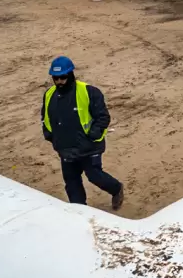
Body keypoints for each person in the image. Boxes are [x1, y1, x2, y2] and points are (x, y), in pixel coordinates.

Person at [41, 56, 124, 210]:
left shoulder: (89, 92)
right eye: (56, 78)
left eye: (63, 77)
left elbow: (103, 117)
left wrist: (93, 135)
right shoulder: (49, 95)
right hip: (65, 148)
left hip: (89, 147)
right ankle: (80, 212)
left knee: (94, 176)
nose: (59, 81)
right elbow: (45, 118)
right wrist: (51, 137)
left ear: (71, 75)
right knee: (71, 182)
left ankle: (116, 188)